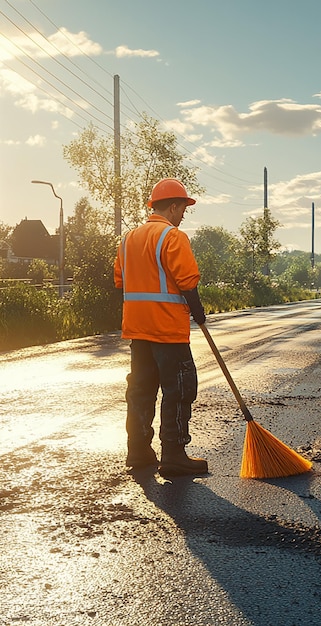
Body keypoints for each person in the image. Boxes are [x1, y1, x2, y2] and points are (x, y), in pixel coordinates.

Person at [114, 178, 208, 476]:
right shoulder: (172, 236)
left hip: (137, 331)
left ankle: (139, 451)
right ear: (173, 206)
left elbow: (120, 281)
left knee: (141, 390)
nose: (183, 215)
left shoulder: (128, 239)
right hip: (167, 331)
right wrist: (199, 312)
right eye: (182, 209)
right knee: (179, 389)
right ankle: (174, 455)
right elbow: (187, 281)